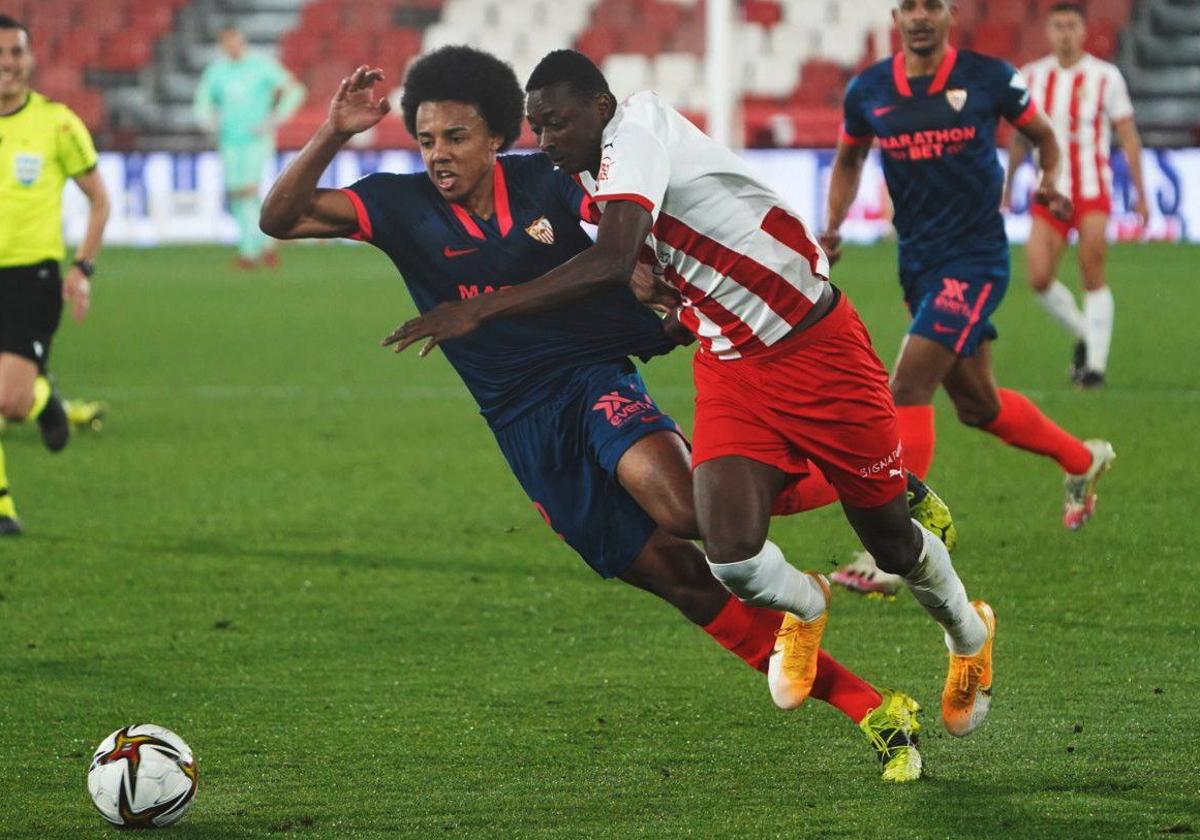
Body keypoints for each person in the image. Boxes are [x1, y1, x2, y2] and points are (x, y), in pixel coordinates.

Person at [259, 46, 943, 781]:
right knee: (685, 585)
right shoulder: (398, 205)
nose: (439, 156)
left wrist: (652, 294)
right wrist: (334, 131)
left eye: (455, 137)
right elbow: (280, 217)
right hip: (524, 430)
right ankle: (873, 705)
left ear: (497, 136)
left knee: (687, 512)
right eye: (426, 140)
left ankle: (874, 481)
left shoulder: (548, 181)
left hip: (591, 381)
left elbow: (625, 241)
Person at [817, 0, 1116, 594]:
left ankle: (898, 549)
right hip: (918, 264)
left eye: (932, 6)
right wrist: (833, 224)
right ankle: (1083, 459)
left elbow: (1044, 137)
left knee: (907, 385)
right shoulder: (869, 91)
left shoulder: (990, 77)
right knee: (978, 406)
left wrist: (1051, 182)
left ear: (950, 15)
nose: (921, 16)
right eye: (910, 7)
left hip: (977, 260)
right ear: (896, 17)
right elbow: (849, 159)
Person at [0, 14, 110, 536]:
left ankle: (45, 401)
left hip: (32, 279)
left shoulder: (57, 124)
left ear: (30, 59)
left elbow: (99, 200)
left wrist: (82, 267)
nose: (7, 64)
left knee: (10, 402)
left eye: (16, 52)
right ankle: (1, 505)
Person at [1003, 0, 1147, 388]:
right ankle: (1087, 333)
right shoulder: (1031, 77)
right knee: (1038, 277)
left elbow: (1129, 136)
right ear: (1047, 32)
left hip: (1091, 189)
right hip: (1048, 193)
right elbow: (1020, 137)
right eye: (1058, 26)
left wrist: (1141, 193)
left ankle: (1095, 368)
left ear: (1084, 30)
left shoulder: (1106, 77)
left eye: (1071, 25)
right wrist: (1008, 186)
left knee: (1092, 270)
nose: (1065, 33)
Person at [193, 24, 305, 269]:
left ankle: (250, 250)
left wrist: (275, 118)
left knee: (249, 190)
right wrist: (207, 120)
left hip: (257, 139)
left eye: (236, 41)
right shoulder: (217, 71)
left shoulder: (260, 66)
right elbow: (202, 100)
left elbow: (294, 90)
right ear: (223, 45)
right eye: (228, 43)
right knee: (236, 192)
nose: (233, 46)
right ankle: (261, 245)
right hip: (230, 140)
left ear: (242, 42)